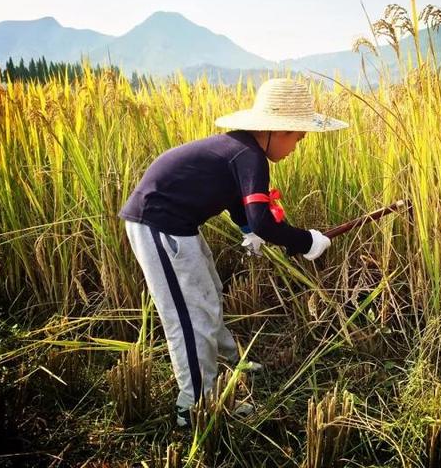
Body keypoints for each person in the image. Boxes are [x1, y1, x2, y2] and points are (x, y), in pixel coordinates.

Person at [118, 78, 348, 427]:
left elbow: (234, 200)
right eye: (298, 138)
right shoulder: (251, 156)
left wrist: (247, 231)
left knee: (209, 292)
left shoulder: (240, 149)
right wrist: (307, 242)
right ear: (277, 129)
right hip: (158, 225)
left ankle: (230, 361)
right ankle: (195, 409)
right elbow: (263, 221)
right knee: (189, 318)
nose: (297, 147)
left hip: (178, 225)